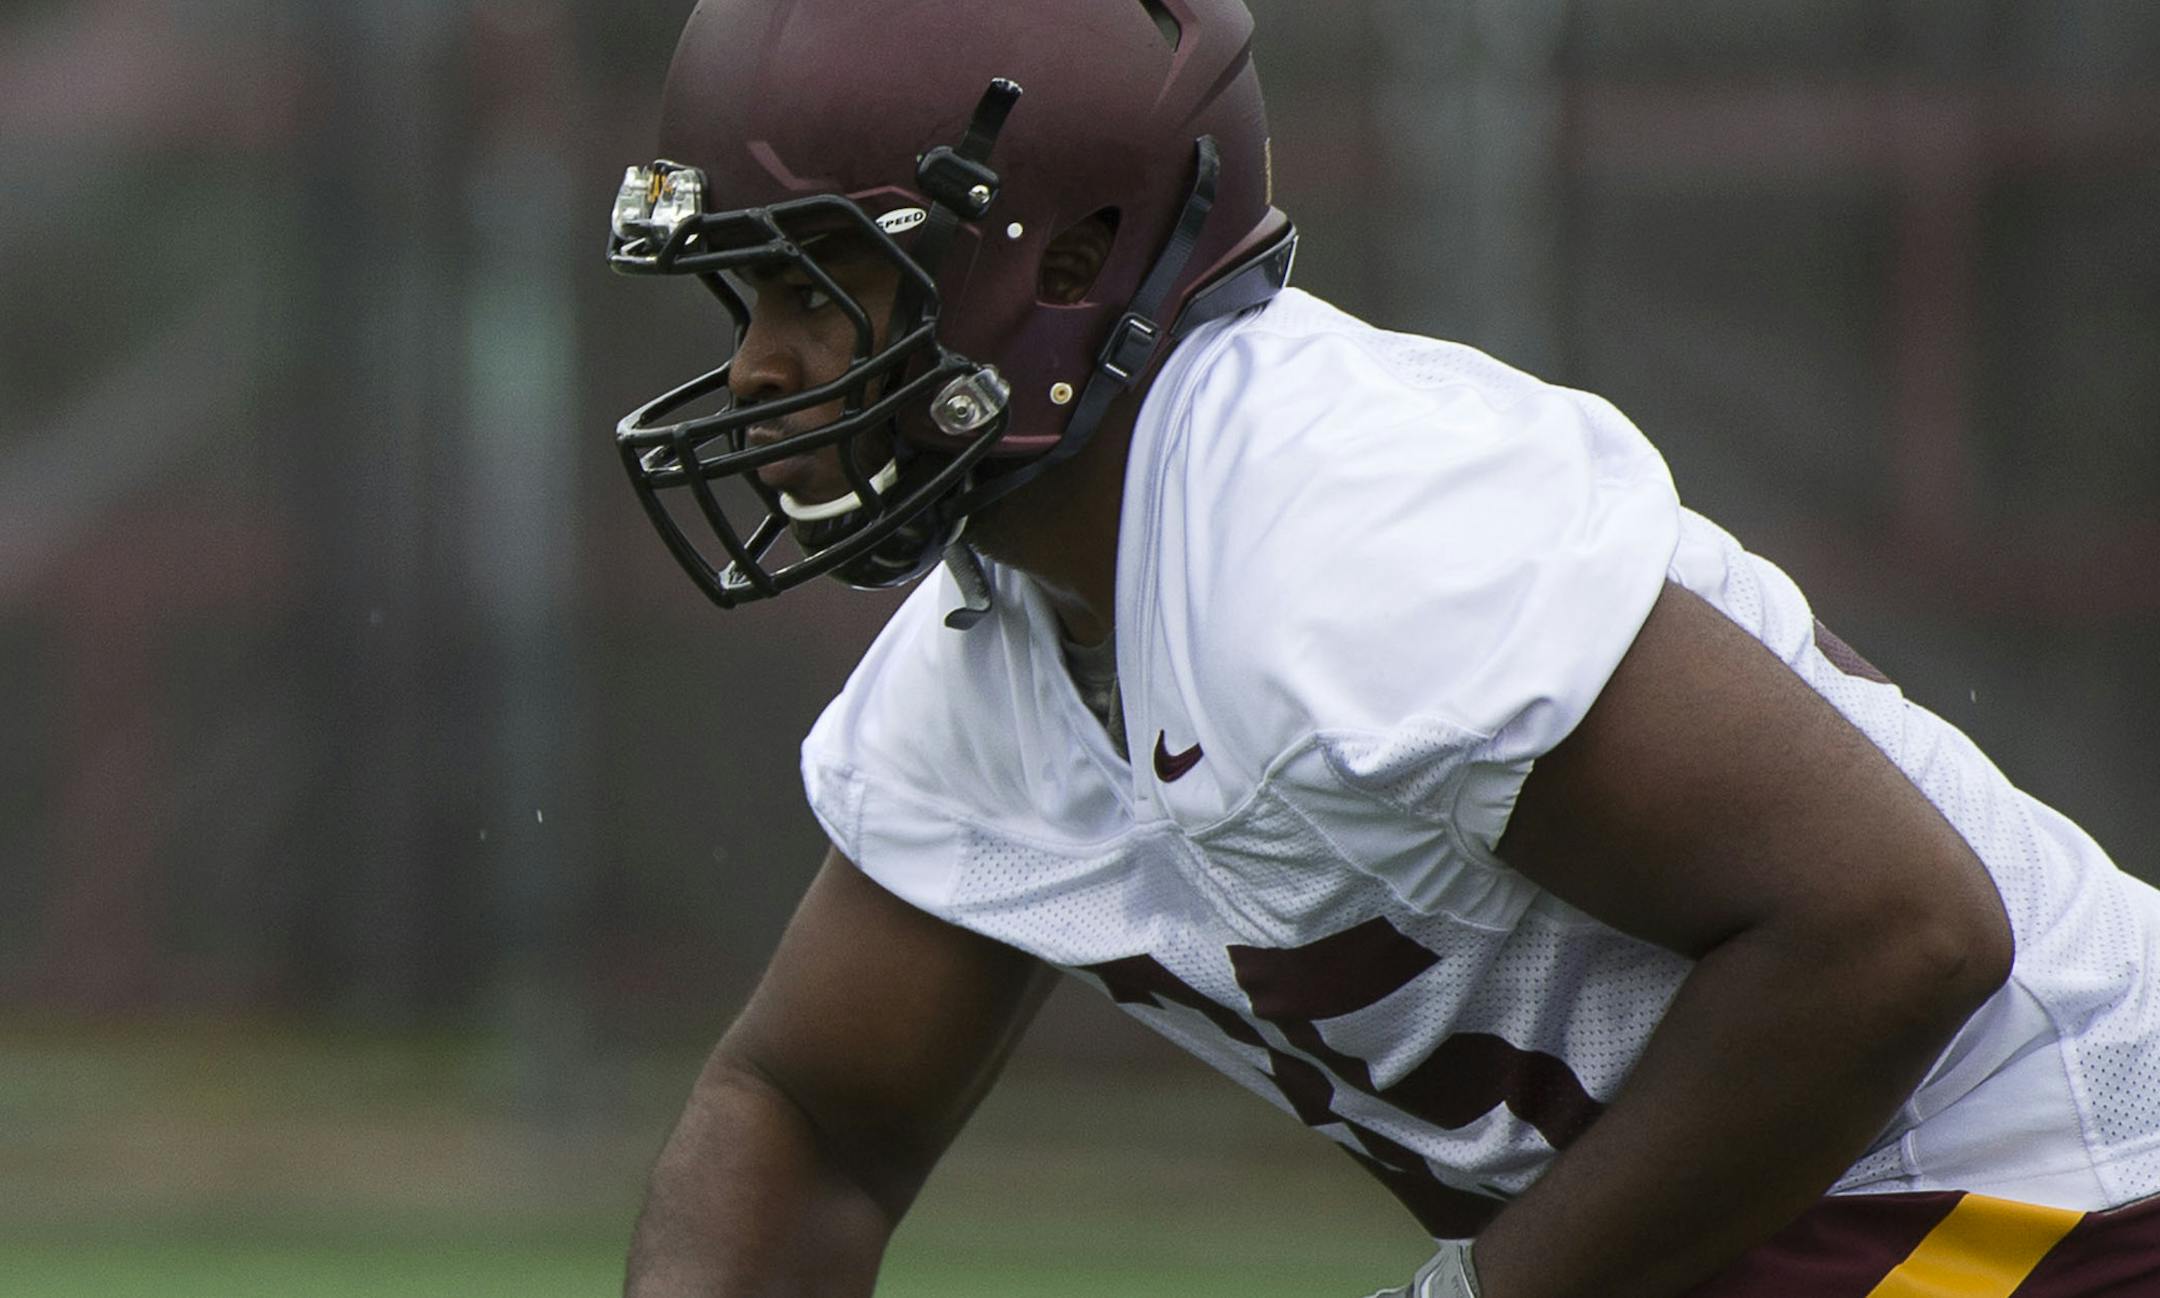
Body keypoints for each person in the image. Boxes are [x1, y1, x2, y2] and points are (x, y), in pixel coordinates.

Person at [603, 2, 2160, 1295]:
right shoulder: (1009, 637)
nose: (754, 371)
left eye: (817, 286)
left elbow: (1899, 933)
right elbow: (808, 1117)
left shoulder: (1330, 530)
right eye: (745, 297)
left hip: (2055, 1184)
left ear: (1061, 261)